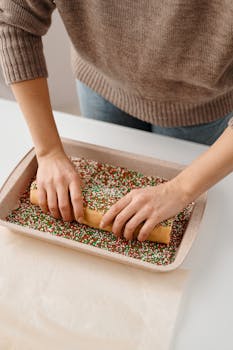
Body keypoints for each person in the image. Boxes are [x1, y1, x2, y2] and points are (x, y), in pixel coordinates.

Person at [0, 1, 233, 242]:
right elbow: (14, 18)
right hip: (102, 84)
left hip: (202, 108)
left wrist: (181, 190)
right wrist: (48, 152)